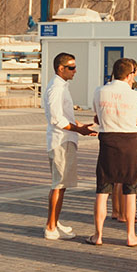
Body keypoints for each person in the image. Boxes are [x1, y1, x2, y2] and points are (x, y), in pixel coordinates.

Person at [89, 57, 137, 247]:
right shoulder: (136, 95)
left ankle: (98, 235)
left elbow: (97, 117)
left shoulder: (100, 92)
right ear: (130, 75)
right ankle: (131, 235)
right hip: (130, 142)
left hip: (107, 141)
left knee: (102, 190)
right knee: (130, 190)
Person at [43, 51, 95, 240]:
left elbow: (64, 116)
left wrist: (80, 126)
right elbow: (56, 118)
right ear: (61, 68)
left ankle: (54, 222)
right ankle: (50, 227)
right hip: (61, 141)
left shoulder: (61, 86)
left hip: (65, 138)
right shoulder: (56, 88)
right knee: (59, 184)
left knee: (61, 184)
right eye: (71, 67)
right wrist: (77, 129)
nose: (75, 71)